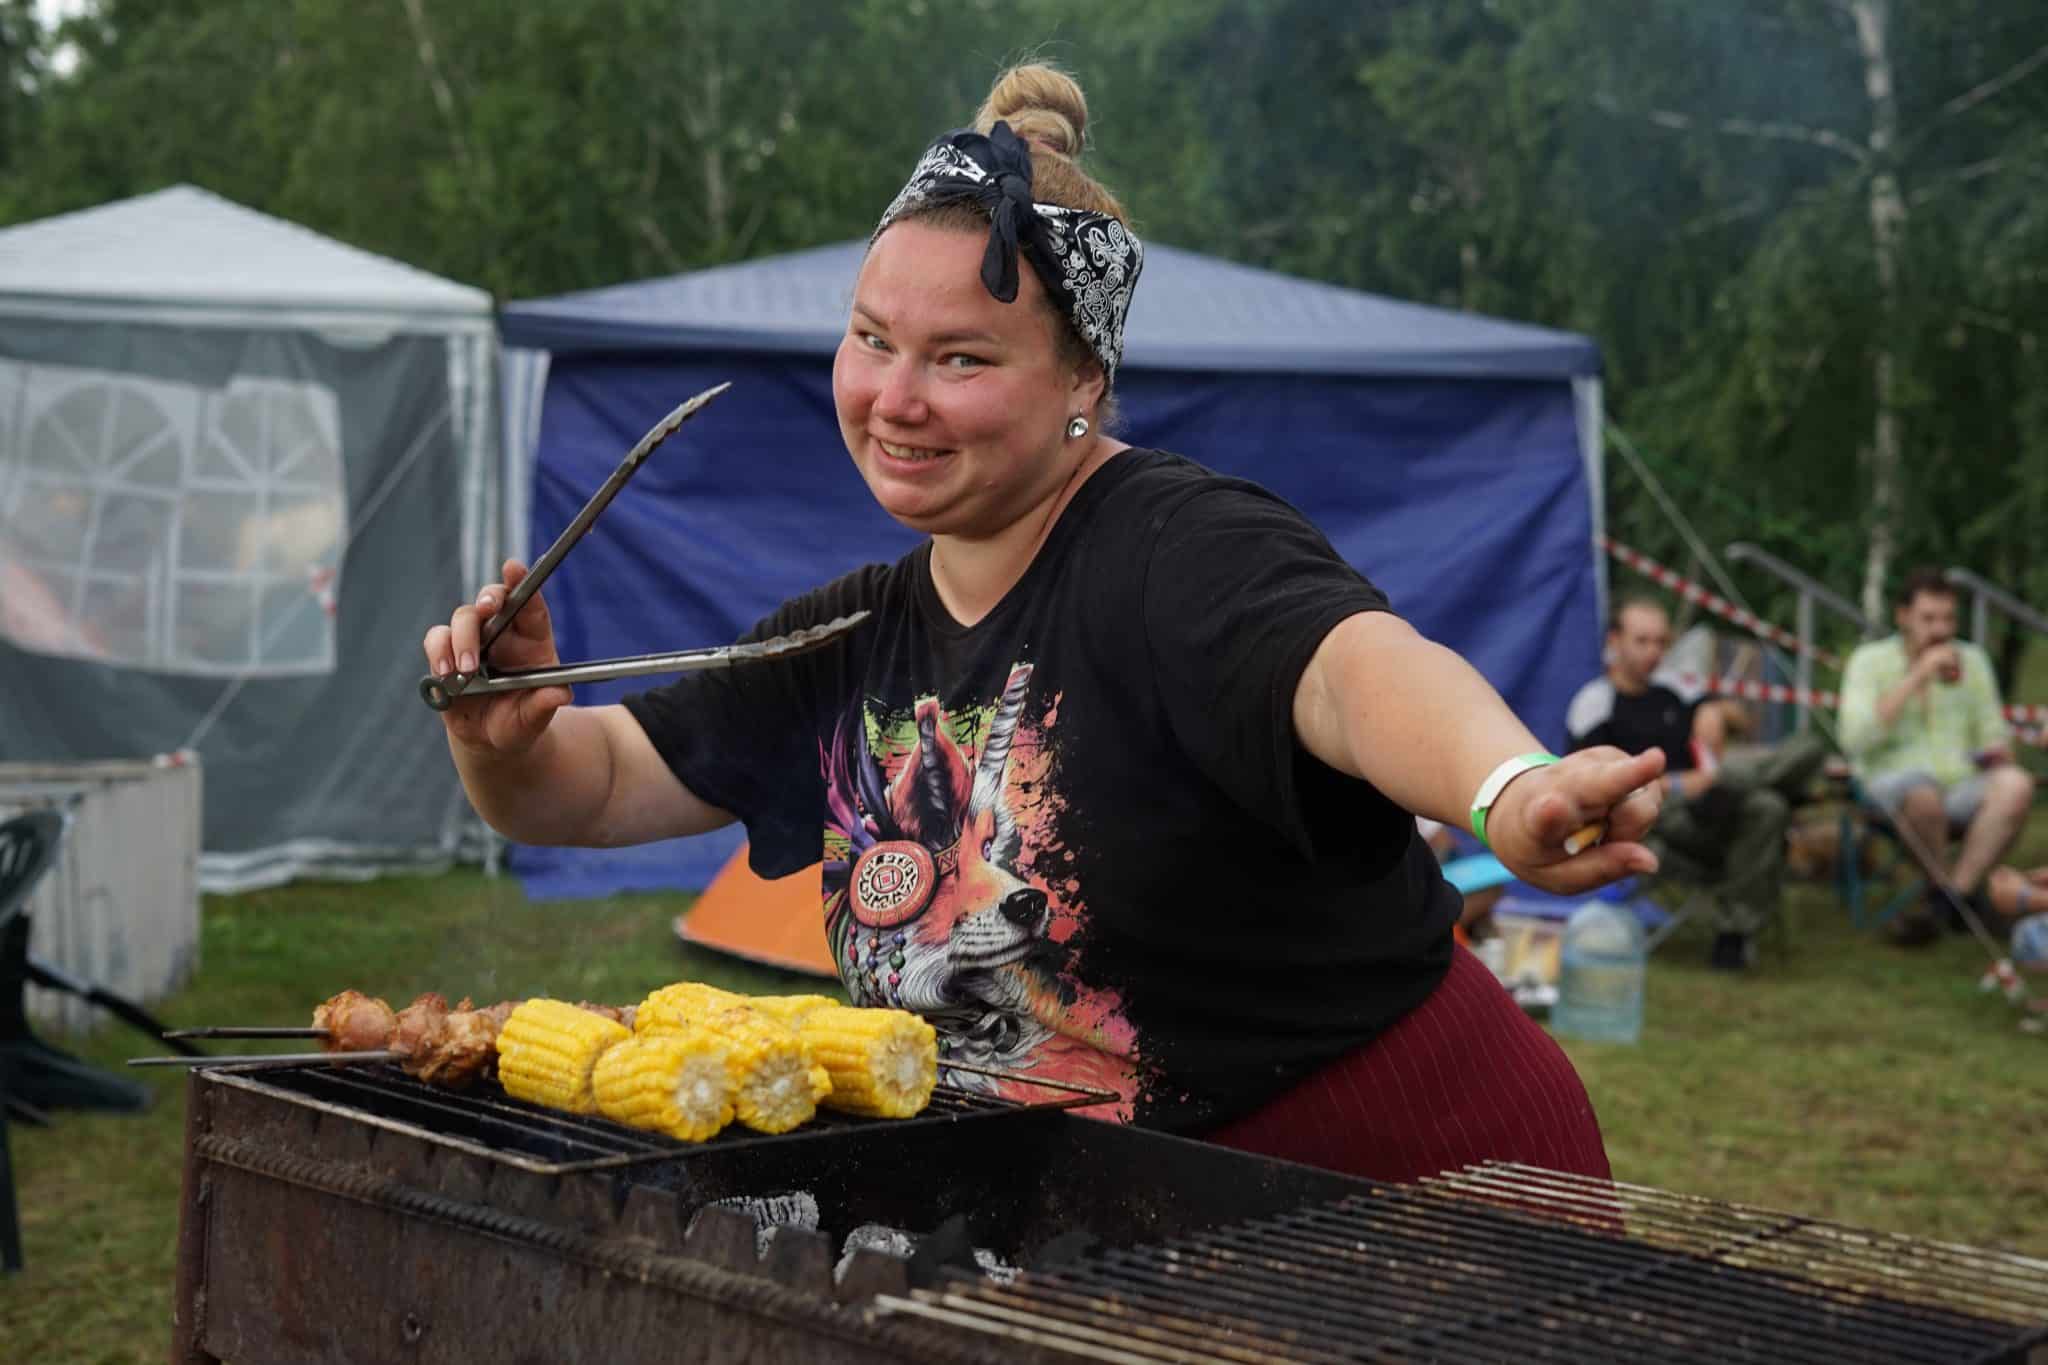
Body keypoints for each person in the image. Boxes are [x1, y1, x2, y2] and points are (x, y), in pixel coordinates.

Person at [424, 64, 1667, 1186]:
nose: (893, 399)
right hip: (1113, 1224)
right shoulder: (850, 637)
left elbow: (1352, 671)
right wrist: (503, 735)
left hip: (1396, 1179)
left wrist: (1508, 785)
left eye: (960, 359)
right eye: (871, 341)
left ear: (1085, 381)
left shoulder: (1176, 546)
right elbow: (583, 791)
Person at [1564, 596, 1828, 969]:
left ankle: (1733, 935)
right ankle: (1735, 789)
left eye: (1661, 642)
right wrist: (1675, 784)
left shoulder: (1677, 688)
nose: (1654, 652)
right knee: (1762, 798)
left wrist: (1715, 710)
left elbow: (1743, 720)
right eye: (1642, 641)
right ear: (1615, 641)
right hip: (1656, 815)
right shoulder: (1595, 704)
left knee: (1797, 763)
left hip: (1712, 811)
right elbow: (1587, 786)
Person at [1838, 567, 2034, 946]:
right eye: (1928, 618)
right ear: (1903, 617)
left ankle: (1949, 897)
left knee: (2016, 784)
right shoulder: (1870, 661)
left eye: (1948, 618)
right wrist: (1915, 679)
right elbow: (1854, 739)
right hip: (1890, 784)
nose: (1940, 630)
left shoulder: (1972, 661)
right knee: (1923, 795)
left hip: (1960, 783)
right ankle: (1960, 901)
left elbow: (1992, 733)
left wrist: (1998, 755)